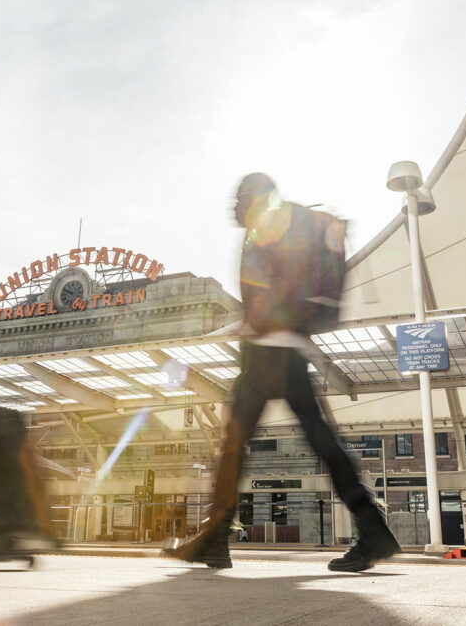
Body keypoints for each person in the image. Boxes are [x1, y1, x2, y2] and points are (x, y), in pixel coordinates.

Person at [163, 173, 401, 572]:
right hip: (284, 351)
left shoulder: (272, 224)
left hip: (268, 352)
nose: (232, 208)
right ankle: (371, 527)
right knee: (316, 438)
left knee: (238, 443)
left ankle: (216, 538)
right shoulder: (279, 224)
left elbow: (277, 288)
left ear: (255, 198)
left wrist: (261, 319)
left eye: (238, 199)